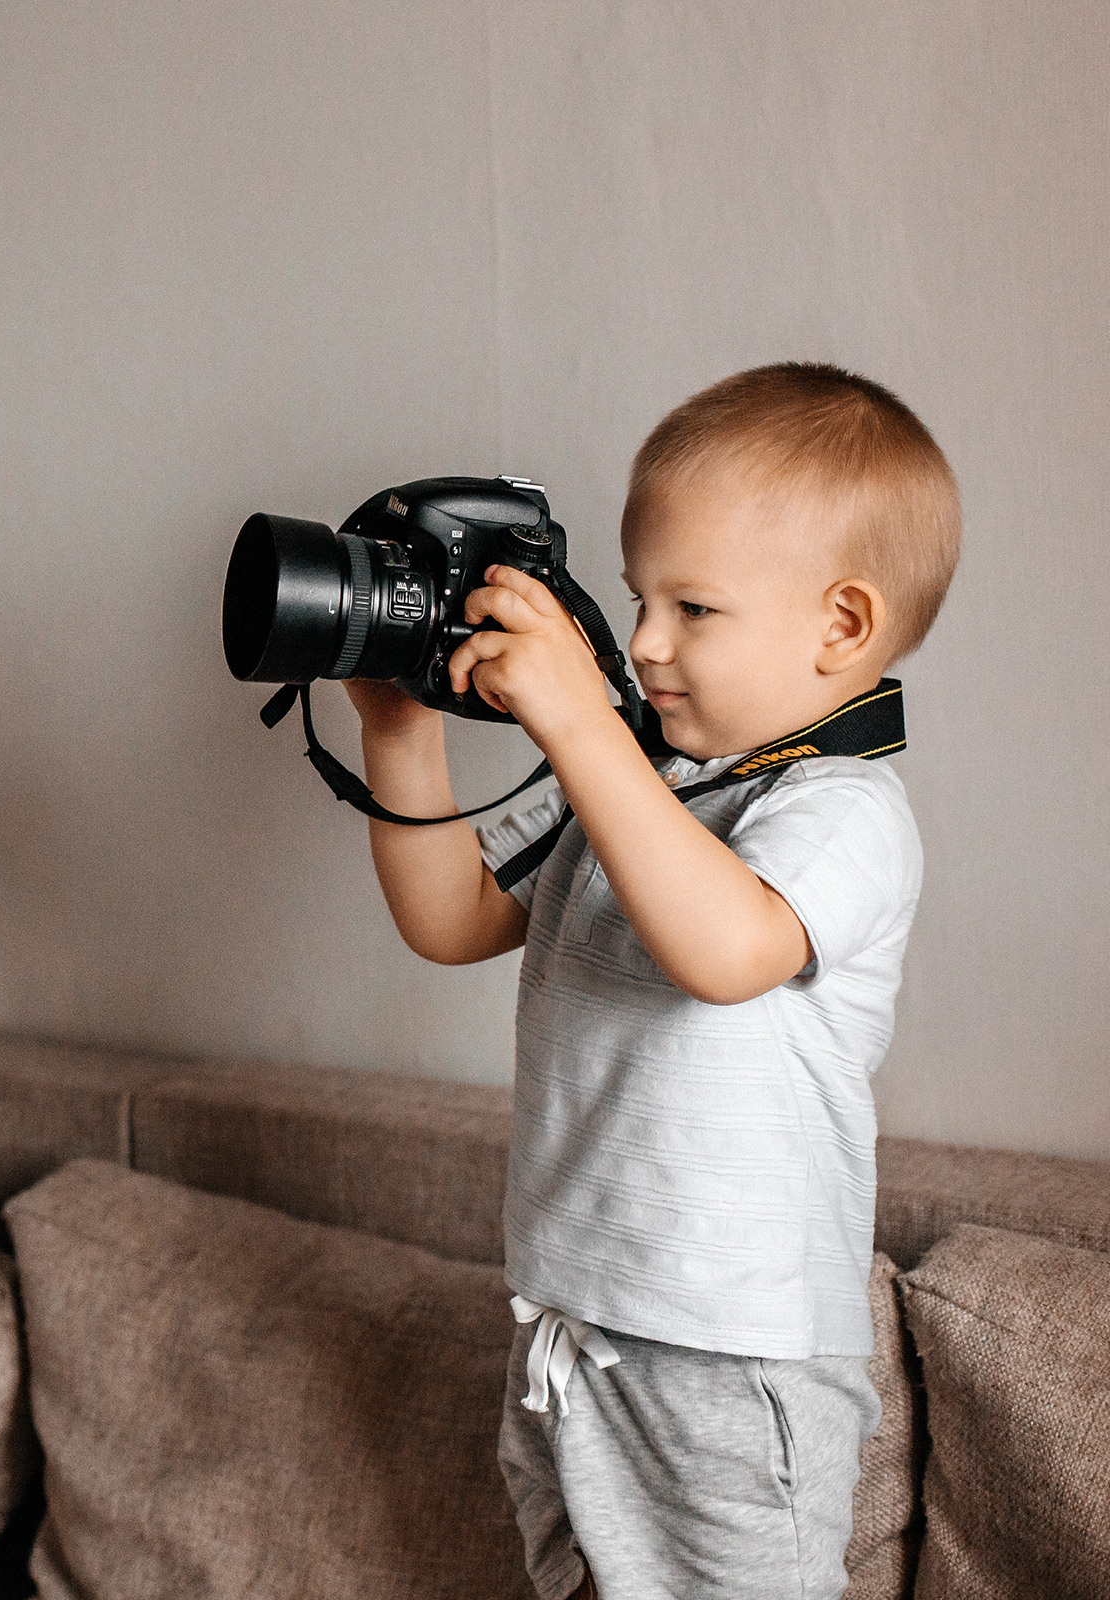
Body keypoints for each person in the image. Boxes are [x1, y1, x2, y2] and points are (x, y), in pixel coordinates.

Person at [346, 364, 958, 1600]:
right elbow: (448, 916)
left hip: (733, 1359)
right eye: (637, 599)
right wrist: (397, 728)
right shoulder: (639, 780)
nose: (638, 645)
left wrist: (577, 725)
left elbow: (724, 951)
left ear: (842, 626)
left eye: (693, 607)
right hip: (574, 1332)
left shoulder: (842, 812)